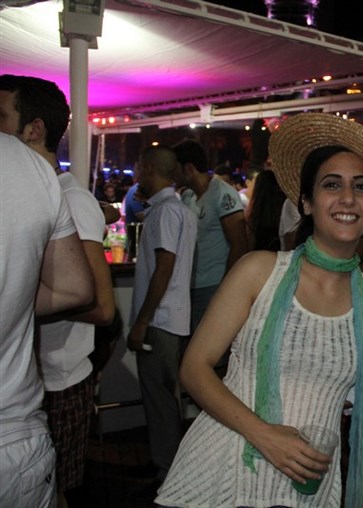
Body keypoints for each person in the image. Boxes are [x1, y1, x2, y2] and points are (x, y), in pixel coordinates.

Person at [155, 112, 363, 508]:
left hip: (307, 486)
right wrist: (265, 435)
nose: (348, 198)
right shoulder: (260, 271)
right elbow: (194, 369)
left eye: (361, 187)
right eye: (332, 184)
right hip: (221, 474)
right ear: (307, 203)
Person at [0, 73, 116, 507]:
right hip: (37, 379)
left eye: (1, 116)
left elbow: (102, 306)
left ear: (34, 129)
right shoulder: (37, 186)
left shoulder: (71, 198)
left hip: (56, 378)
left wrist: (14, 296)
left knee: (59, 491)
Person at [127, 145, 198, 501]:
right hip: (172, 316)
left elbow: (163, 268)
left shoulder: (167, 212)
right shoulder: (177, 209)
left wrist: (142, 320)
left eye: (140, 166)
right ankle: (165, 464)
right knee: (165, 397)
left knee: (159, 398)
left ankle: (167, 471)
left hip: (160, 318)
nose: (136, 172)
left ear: (151, 168)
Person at [172, 139, 248, 338]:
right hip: (189, 287)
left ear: (188, 168)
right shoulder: (187, 196)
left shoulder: (222, 194)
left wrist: (226, 289)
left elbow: (240, 244)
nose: (172, 174)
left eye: (175, 168)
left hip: (213, 287)